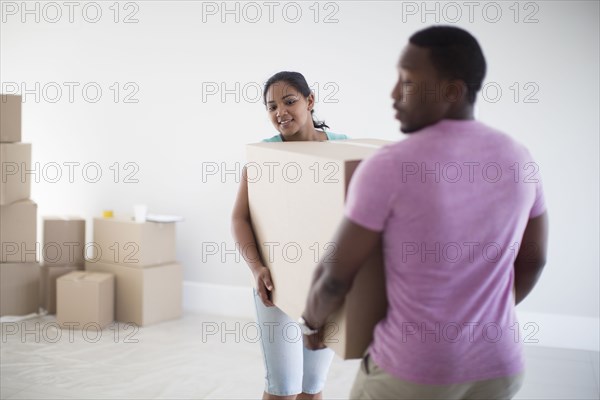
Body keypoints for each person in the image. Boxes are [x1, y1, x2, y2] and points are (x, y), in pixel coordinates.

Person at [300, 26, 549, 400]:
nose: (393, 93)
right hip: (500, 368)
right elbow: (534, 260)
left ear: (452, 91)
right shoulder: (519, 157)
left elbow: (335, 277)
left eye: (408, 82)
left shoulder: (390, 167)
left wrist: (312, 325)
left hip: (413, 373)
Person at [231, 71, 348, 400]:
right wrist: (257, 268)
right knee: (283, 389)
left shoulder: (343, 148)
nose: (279, 111)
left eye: (289, 101)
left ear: (310, 101)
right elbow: (239, 218)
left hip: (324, 286)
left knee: (312, 388)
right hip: (276, 284)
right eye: (271, 106)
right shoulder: (263, 156)